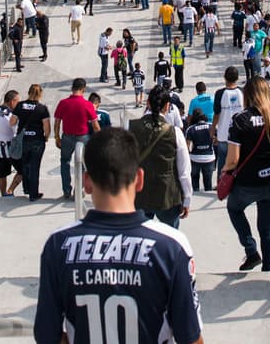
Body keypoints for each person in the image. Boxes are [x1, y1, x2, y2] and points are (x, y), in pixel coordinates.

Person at [34, 127, 204, 344]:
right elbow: (190, 336)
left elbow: (46, 335)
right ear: (140, 179)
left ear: (87, 182)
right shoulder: (170, 246)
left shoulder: (58, 245)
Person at [224, 77, 270, 272]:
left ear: (248, 94)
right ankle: (269, 268)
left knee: (234, 209)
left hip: (248, 181)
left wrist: (224, 172)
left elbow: (233, 159)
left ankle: (251, 250)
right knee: (266, 226)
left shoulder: (240, 119)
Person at [129, 86, 193, 228]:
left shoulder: (132, 128)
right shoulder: (175, 132)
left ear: (148, 103)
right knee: (171, 238)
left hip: (140, 194)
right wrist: (187, 198)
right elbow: (184, 170)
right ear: (167, 106)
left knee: (140, 238)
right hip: (168, 194)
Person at [54, 78, 101, 199]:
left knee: (65, 161)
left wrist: (57, 137)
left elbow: (57, 122)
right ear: (83, 89)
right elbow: (95, 125)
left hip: (67, 136)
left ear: (72, 88)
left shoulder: (63, 103)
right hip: (83, 137)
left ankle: (66, 190)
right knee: (83, 164)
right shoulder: (87, 105)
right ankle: (78, 190)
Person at [15, 83, 51, 201]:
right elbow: (46, 126)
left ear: (29, 92)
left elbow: (12, 121)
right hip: (37, 139)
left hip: (24, 140)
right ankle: (33, 193)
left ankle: (26, 188)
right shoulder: (42, 108)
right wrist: (46, 136)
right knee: (35, 166)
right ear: (40, 94)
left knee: (25, 164)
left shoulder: (20, 105)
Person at [212, 66, 246, 176]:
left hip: (223, 134)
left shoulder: (220, 93)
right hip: (240, 135)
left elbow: (216, 114)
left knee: (222, 160)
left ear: (225, 77)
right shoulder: (242, 92)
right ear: (237, 78)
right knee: (239, 160)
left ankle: (222, 184)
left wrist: (212, 130)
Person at [0, 90, 23, 197]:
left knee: (1, 174)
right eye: (18, 101)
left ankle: (3, 194)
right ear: (12, 101)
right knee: (23, 169)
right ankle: (10, 190)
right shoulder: (11, 115)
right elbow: (16, 132)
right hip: (10, 147)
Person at [184, 108, 216, 192]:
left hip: (195, 158)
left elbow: (187, 146)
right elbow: (217, 140)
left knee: (194, 181)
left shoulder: (190, 129)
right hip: (209, 158)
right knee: (208, 183)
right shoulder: (211, 126)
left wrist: (189, 155)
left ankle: (195, 195)